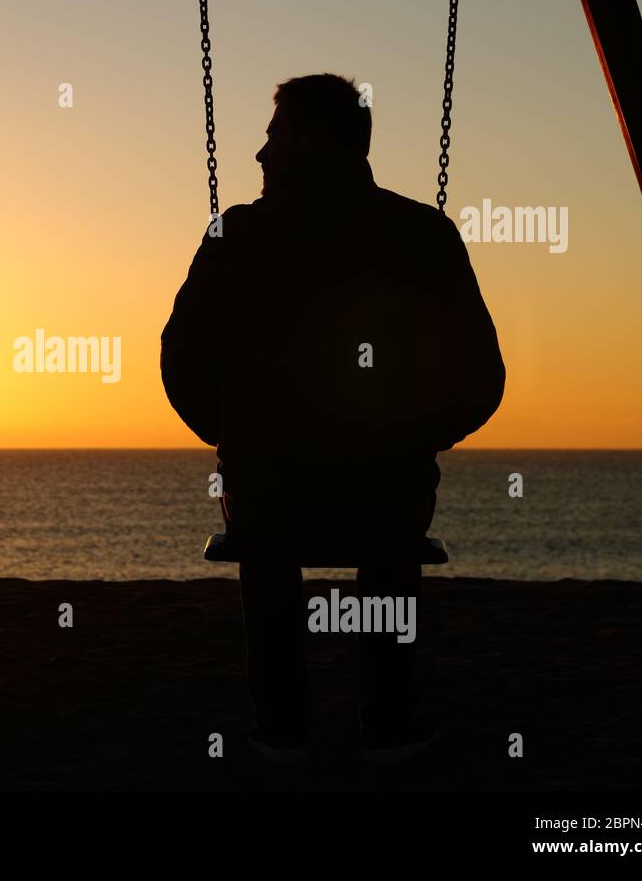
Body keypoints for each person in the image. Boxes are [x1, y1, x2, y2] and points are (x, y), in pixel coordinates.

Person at [160, 73, 505, 763]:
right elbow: (481, 378)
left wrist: (228, 435)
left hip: (268, 485)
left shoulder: (239, 235)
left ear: (312, 139)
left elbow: (181, 363)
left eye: (273, 135)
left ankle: (282, 731)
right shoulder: (421, 234)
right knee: (389, 527)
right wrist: (417, 436)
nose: (259, 155)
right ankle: (388, 724)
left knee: (264, 530)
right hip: (387, 489)